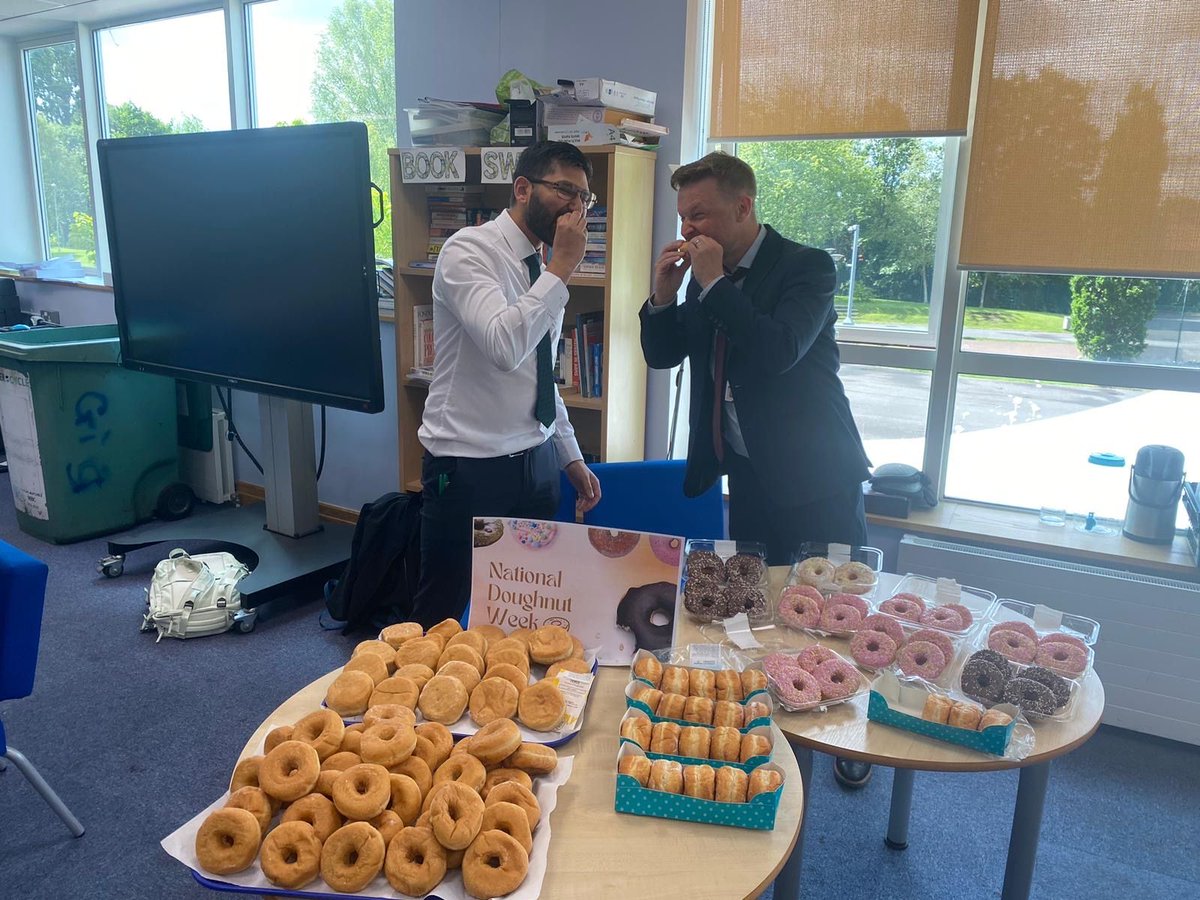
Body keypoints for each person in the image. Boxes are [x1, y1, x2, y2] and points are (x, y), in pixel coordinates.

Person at [639, 151, 874, 788]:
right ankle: (771, 722)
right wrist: (663, 296)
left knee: (832, 614)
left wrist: (714, 284)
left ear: (743, 207)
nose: (689, 229)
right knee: (756, 613)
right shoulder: (704, 275)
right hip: (746, 474)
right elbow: (663, 354)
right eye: (683, 216)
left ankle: (850, 735)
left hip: (817, 475)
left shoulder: (806, 267)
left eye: (701, 214)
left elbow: (777, 351)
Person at [411, 141, 603, 628]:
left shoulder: (543, 266)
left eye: (584, 198)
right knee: (446, 614)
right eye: (565, 191)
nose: (576, 208)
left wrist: (569, 454)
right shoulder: (469, 251)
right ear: (522, 189)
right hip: (469, 466)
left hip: (536, 462)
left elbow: (540, 370)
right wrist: (561, 268)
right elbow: (504, 347)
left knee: (524, 609)